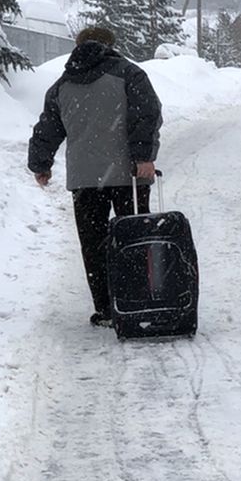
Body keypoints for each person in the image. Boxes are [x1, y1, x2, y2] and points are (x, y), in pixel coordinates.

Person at [27, 24, 163, 327]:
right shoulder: (129, 74)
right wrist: (144, 157)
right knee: (134, 237)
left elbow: (48, 127)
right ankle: (138, 301)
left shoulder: (62, 84)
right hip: (130, 175)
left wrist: (40, 163)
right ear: (111, 46)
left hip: (86, 179)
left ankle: (105, 308)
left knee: (94, 244)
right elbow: (148, 112)